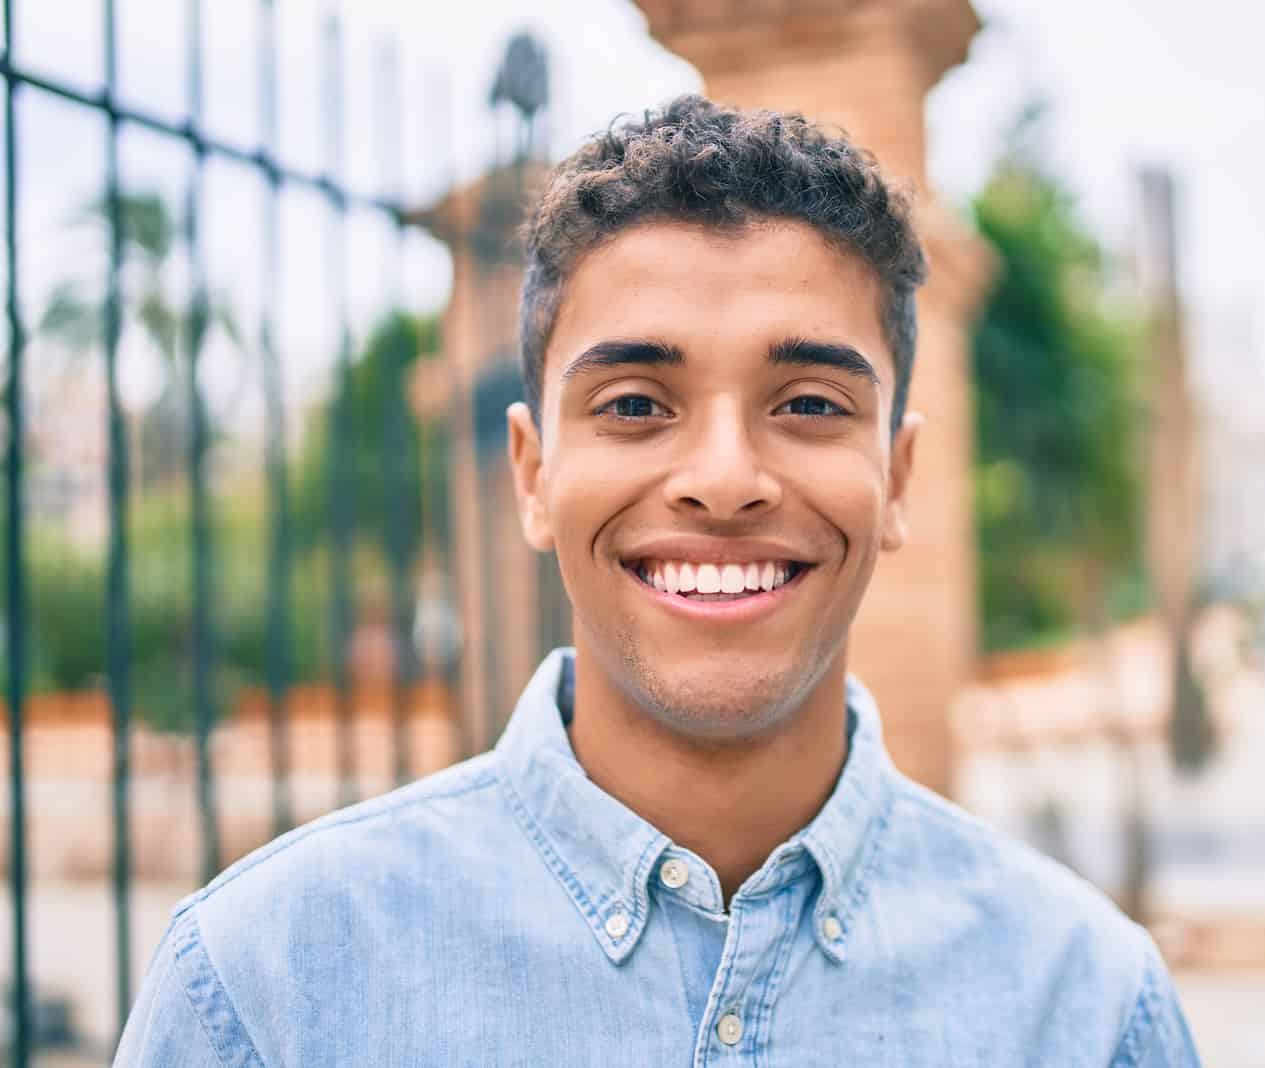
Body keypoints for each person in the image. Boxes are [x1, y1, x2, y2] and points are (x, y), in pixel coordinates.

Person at [114, 94, 1200, 1066]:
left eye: (809, 403)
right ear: (534, 477)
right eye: (634, 403)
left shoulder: (1084, 1005)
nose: (724, 481)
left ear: (897, 476)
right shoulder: (266, 986)